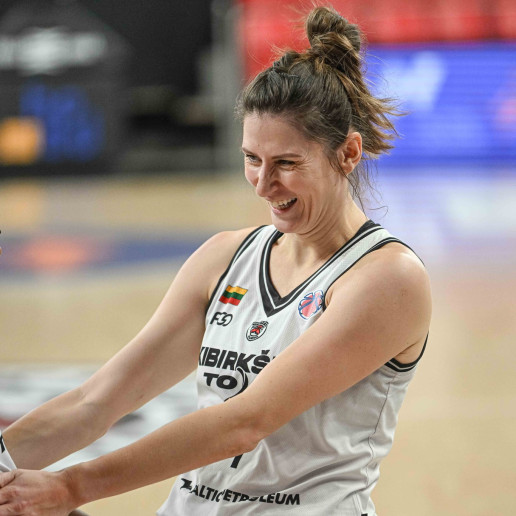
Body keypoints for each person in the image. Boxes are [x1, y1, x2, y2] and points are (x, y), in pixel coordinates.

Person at [0, 6, 431, 515]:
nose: (264, 185)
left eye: (286, 163)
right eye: (252, 159)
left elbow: (244, 423)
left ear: (349, 153)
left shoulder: (388, 279)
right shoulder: (223, 257)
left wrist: (70, 488)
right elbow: (97, 402)